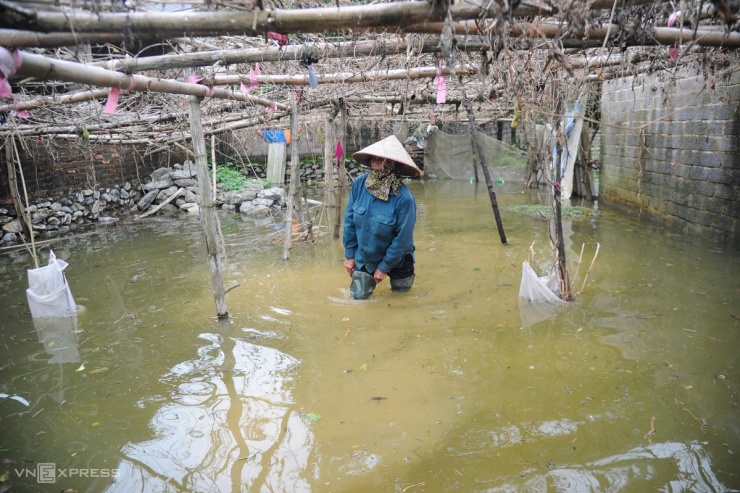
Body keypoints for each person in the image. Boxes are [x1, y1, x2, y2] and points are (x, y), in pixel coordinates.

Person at [342, 135, 422, 299]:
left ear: (393, 165)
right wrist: (350, 255)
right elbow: (349, 222)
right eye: (373, 158)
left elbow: (403, 238)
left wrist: (384, 267)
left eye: (382, 159)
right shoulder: (359, 184)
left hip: (398, 258)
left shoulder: (404, 198)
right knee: (358, 299)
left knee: (402, 299)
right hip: (367, 256)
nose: (375, 162)